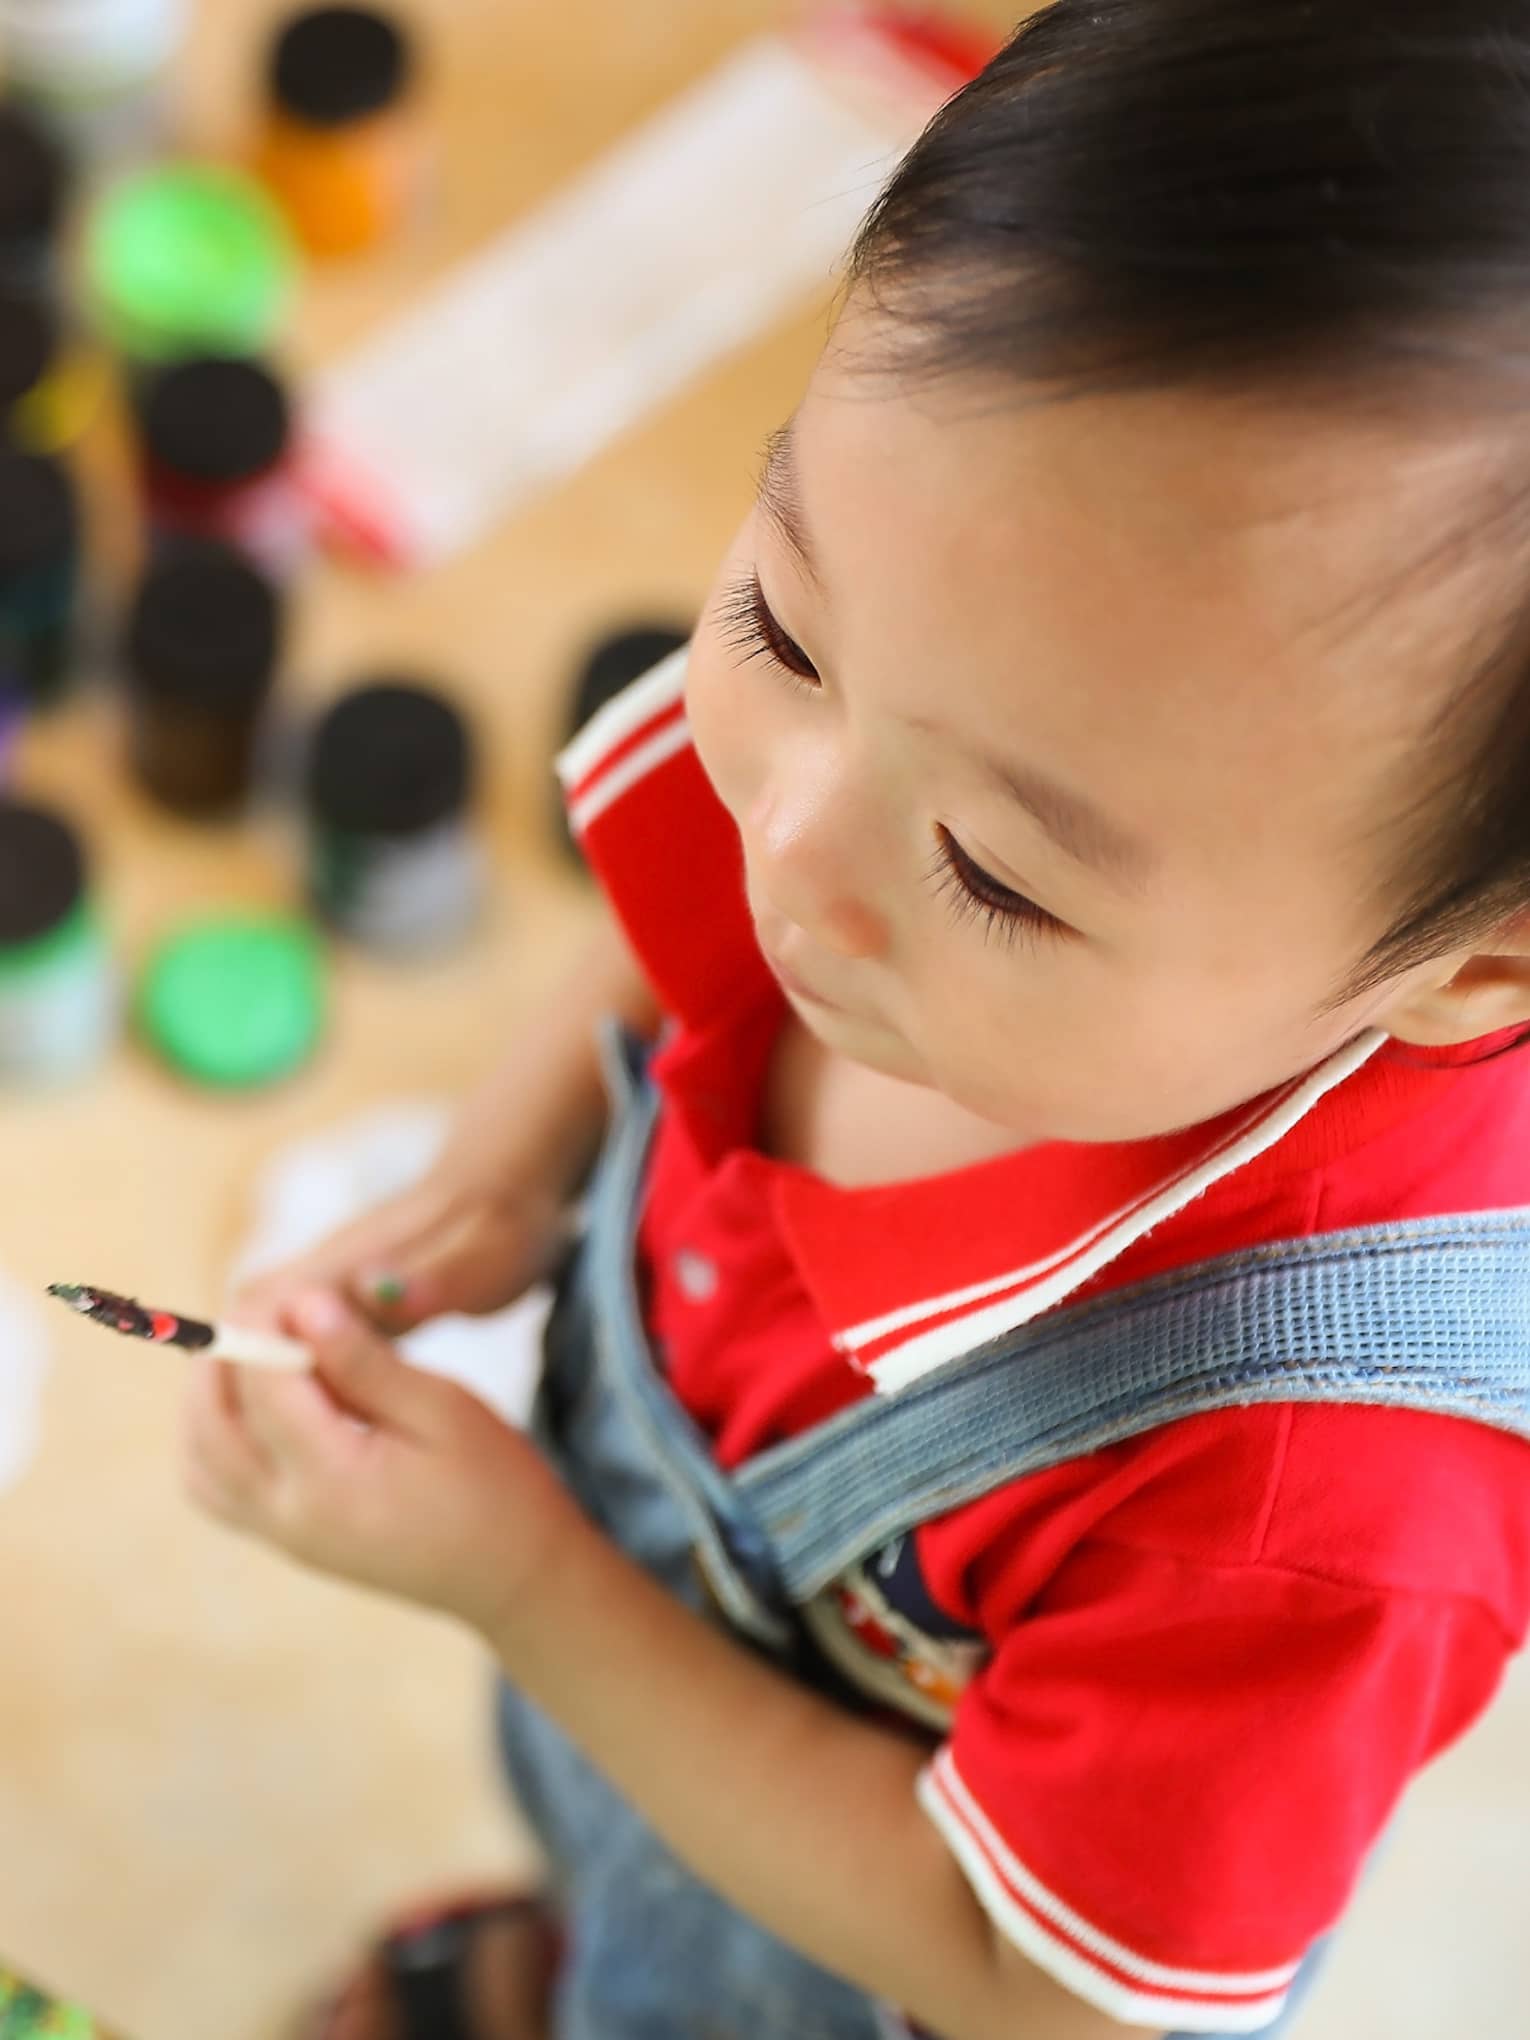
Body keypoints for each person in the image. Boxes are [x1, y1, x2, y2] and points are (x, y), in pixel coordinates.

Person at [182, 4, 1530, 2035]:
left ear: (1477, 969)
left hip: (862, 1964)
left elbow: (1034, 1984)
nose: (787, 854)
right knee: (622, 1880)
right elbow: (689, 918)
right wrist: (504, 1162)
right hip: (657, 1724)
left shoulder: (1315, 1517)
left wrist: (523, 1578)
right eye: (776, 624)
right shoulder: (926, 693)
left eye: (999, 873)